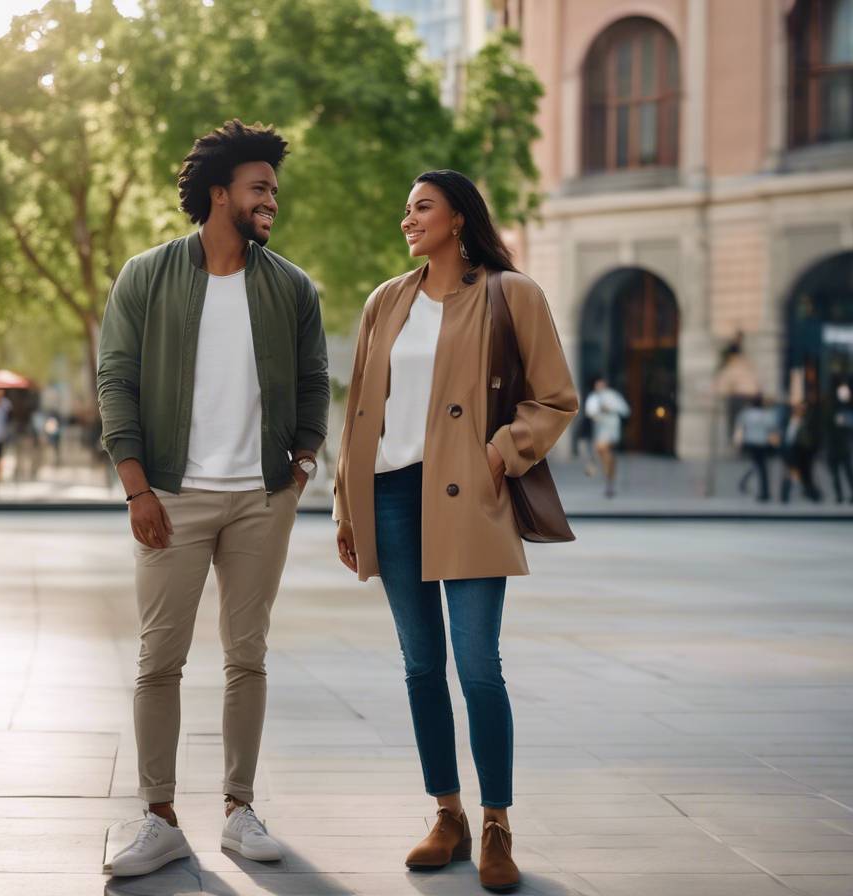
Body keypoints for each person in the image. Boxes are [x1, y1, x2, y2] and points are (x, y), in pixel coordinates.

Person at [334, 170, 577, 894]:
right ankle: (447, 814)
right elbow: (358, 414)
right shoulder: (387, 300)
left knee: (478, 668)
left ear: (458, 218)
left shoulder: (512, 293)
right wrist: (349, 507)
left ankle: (496, 821)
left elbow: (554, 396)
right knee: (419, 667)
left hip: (470, 495)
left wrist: (502, 453)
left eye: (421, 207)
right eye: (405, 207)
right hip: (392, 498)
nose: (406, 218)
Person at [97, 120, 329, 878]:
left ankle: (238, 808)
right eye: (260, 188)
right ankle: (158, 818)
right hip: (171, 494)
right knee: (159, 659)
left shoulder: (291, 286)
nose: (272, 201)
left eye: (274, 190)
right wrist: (136, 486)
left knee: (246, 656)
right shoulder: (147, 275)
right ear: (219, 193)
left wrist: (301, 462)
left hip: (261, 497)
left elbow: (314, 380)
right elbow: (116, 381)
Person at [584, 376, 630, 498]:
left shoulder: (613, 396)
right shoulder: (593, 397)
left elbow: (625, 410)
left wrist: (611, 409)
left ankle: (609, 479)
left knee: (605, 453)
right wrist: (600, 410)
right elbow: (590, 412)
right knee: (606, 456)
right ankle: (609, 480)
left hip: (611, 431)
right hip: (599, 432)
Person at [733, 394, 780, 502]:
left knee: (757, 465)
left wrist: (738, 443)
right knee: (761, 467)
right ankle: (763, 491)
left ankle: (746, 483)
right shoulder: (767, 414)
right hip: (762, 443)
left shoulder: (746, 414)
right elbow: (772, 428)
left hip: (751, 442)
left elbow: (740, 428)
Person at [826, 382, 853, 505]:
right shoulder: (833, 408)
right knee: (838, 472)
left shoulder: (848, 408)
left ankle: (851, 493)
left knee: (846, 471)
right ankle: (841, 495)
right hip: (836, 445)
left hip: (842, 445)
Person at [780, 401, 822, 503]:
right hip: (791, 452)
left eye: (802, 409)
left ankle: (813, 494)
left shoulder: (807, 422)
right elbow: (787, 437)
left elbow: (812, 438)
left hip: (803, 453)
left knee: (805, 475)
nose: (800, 411)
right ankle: (785, 495)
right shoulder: (790, 421)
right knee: (791, 473)